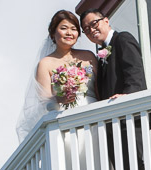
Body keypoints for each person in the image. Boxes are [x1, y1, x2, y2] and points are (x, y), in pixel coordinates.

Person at [80, 9, 151, 170]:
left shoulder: (122, 39)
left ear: (106, 20)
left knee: (135, 163)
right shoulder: (101, 54)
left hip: (130, 115)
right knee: (123, 168)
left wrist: (127, 97)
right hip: (113, 121)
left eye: (94, 23)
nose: (91, 30)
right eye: (86, 29)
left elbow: (135, 73)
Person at [16, 10, 98, 141]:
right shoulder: (45, 64)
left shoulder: (88, 57)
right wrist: (60, 98)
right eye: (64, 28)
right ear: (53, 33)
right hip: (66, 119)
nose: (69, 33)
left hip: (94, 115)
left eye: (73, 29)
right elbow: (44, 101)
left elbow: (97, 85)